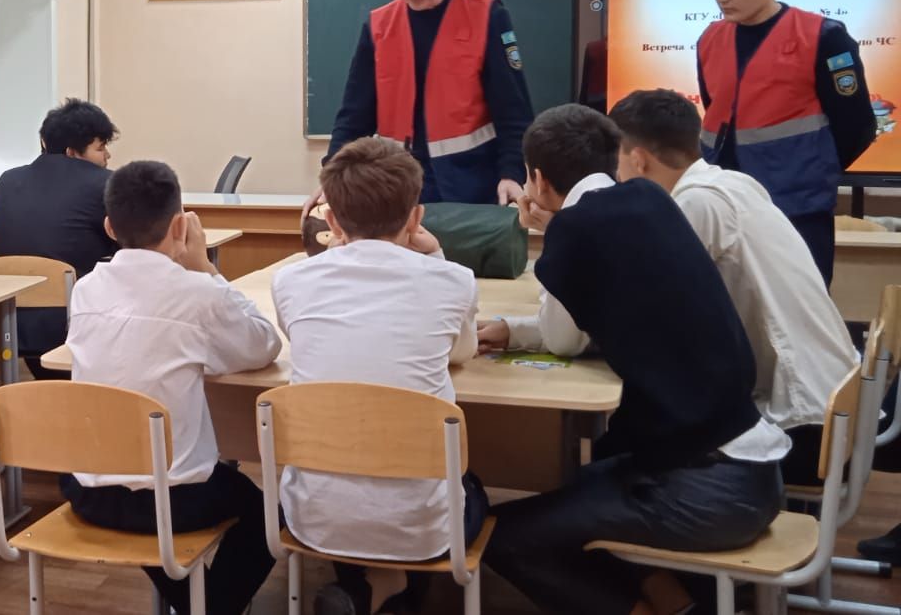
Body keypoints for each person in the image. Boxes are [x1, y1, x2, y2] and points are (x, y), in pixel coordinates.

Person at [484, 106, 787, 615]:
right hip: (755, 468)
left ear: (537, 179)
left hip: (708, 491)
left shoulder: (575, 229)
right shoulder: (650, 198)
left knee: (505, 538)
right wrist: (515, 328)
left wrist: (553, 237)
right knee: (585, 481)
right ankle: (677, 605)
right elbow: (597, 318)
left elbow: (562, 340)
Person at [273, 136, 483, 615]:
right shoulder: (453, 280)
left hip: (312, 517)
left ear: (331, 222)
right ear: (416, 218)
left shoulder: (290, 282)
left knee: (354, 469)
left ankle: (369, 590)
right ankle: (388, 591)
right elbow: (463, 352)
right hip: (423, 527)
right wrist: (434, 257)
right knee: (470, 489)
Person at [62, 160, 281, 615]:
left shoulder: (85, 289)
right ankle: (211, 607)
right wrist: (205, 268)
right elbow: (263, 345)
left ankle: (193, 603)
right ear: (181, 225)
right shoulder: (196, 293)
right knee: (270, 516)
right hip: (173, 500)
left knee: (156, 479)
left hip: (88, 489)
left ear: (109, 227)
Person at [609, 89, 856, 484]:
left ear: (637, 160)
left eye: (617, 162)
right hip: (835, 412)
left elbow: (636, 313)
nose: (617, 177)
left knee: (626, 439)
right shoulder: (735, 184)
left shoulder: (695, 205)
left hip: (798, 428)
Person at [697, 0, 875, 286]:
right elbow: (715, 110)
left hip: (798, 208)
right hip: (726, 203)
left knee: (801, 306)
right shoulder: (709, 39)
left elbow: (857, 125)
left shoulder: (823, 36)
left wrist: (812, 170)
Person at [321, 0, 534, 207]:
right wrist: (331, 178)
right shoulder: (378, 26)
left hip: (474, 182)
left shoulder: (486, 16)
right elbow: (354, 115)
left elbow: (513, 108)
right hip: (398, 181)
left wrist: (511, 173)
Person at [0, 99, 120, 377]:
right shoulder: (104, 183)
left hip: (7, 322)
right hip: (72, 323)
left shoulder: (8, 181)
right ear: (72, 152)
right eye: (100, 148)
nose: (107, 156)